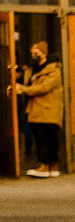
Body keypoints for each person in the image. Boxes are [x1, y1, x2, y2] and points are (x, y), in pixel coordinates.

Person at [11, 41, 63, 178]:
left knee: (51, 137)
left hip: (49, 107)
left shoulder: (54, 70)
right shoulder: (30, 70)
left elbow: (44, 88)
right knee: (40, 137)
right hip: (35, 108)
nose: (34, 56)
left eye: (37, 53)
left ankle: (52, 165)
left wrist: (23, 89)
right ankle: (44, 165)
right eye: (32, 53)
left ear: (44, 54)